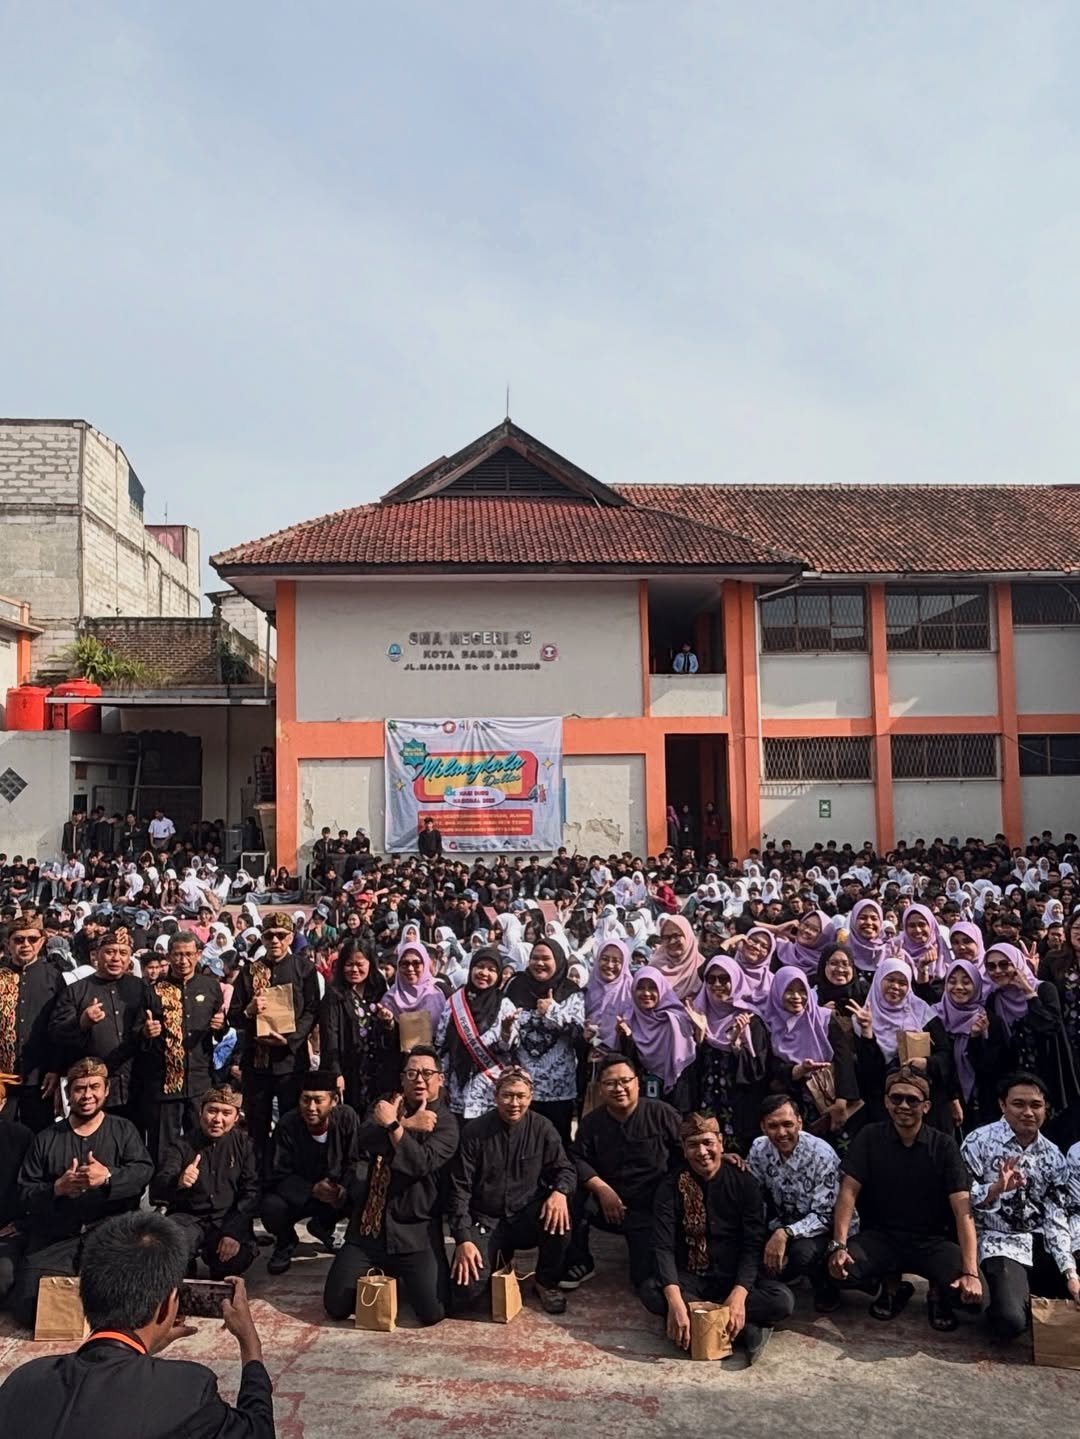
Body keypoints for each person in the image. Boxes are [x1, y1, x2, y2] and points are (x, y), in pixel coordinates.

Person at [0, 1212, 274, 1439]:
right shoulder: (187, 1392)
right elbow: (258, 1431)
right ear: (168, 1304)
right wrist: (251, 1346)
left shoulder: (22, 1382)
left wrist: (144, 1348)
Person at [828, 1067, 984, 1331]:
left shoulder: (944, 1146)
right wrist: (838, 1246)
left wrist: (970, 1271)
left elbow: (962, 1210)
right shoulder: (869, 1137)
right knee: (837, 1272)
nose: (903, 1105)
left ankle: (937, 1293)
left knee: (974, 1299)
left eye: (912, 1100)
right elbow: (848, 1191)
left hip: (932, 1242)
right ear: (886, 1102)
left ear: (926, 1106)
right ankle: (893, 1286)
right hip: (882, 1238)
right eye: (896, 1098)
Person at [11, 1057, 154, 1331]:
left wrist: (108, 1177)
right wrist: (56, 1189)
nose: (87, 1095)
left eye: (94, 1087)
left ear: (106, 1089)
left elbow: (143, 1172)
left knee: (130, 1309)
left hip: (110, 1234)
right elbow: (25, 1191)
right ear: (68, 1092)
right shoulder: (46, 1138)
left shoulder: (123, 1130)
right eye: (79, 1088)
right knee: (31, 1310)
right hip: (57, 1236)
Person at [641, 1112, 795, 1362]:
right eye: (693, 1145)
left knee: (782, 1301)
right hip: (692, 1277)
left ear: (721, 1143)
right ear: (683, 1149)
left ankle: (704, 1324)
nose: (702, 1152)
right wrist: (676, 1301)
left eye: (708, 1143)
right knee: (651, 1291)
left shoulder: (744, 1183)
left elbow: (752, 1243)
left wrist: (740, 1294)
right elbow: (663, 1246)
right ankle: (743, 1330)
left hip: (733, 1278)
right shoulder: (670, 1186)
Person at [323, 1045, 460, 1325]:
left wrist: (395, 1127)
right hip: (369, 1229)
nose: (419, 1080)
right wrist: (405, 1123)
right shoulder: (387, 1105)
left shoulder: (446, 1123)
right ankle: (382, 1269)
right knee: (336, 1305)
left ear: (440, 1079)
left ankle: (404, 1276)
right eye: (412, 1073)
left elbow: (420, 1164)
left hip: (414, 1231)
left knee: (432, 1312)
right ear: (402, 1078)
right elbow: (362, 1140)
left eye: (427, 1073)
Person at [448, 1065, 576, 1315]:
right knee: (465, 1293)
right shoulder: (474, 1132)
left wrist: (560, 1192)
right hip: (487, 1219)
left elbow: (566, 1169)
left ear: (531, 1097)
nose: (513, 1103)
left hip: (526, 1217)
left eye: (520, 1096)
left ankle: (545, 1281)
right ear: (495, 1096)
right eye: (507, 1095)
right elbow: (459, 1189)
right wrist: (463, 1238)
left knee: (562, 1216)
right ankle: (498, 1259)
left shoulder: (543, 1128)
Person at [961, 1072, 1079, 1341]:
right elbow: (961, 1201)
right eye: (1019, 1104)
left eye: (1036, 1105)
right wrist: (995, 1190)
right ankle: (1007, 1299)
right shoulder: (978, 1142)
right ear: (1003, 1105)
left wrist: (1069, 1272)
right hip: (1000, 1241)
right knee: (1010, 1323)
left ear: (1045, 1109)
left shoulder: (1053, 1155)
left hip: (1040, 1242)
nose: (1028, 1112)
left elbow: (1056, 1216)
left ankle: (1030, 1293)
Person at [564, 1054, 682, 1290]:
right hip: (608, 1205)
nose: (619, 1088)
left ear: (638, 1083)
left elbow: (687, 1151)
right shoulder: (591, 1123)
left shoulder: (663, 1114)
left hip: (652, 1206)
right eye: (610, 1083)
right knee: (567, 1193)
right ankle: (579, 1261)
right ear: (600, 1089)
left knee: (643, 1279)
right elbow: (576, 1158)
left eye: (625, 1081)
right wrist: (602, 1189)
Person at [228, 912, 320, 1169]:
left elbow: (313, 1011)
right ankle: (257, 1177)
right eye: (270, 936)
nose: (276, 941)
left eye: (281, 935)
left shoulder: (304, 969)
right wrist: (249, 1010)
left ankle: (289, 1173)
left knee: (292, 1120)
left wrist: (291, 1040)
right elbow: (233, 1015)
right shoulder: (249, 971)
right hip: (256, 1062)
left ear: (290, 937)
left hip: (291, 1060)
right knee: (257, 1124)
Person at [747, 1095, 848, 1311]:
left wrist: (784, 1234)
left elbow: (826, 1215)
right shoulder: (759, 1148)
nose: (781, 1133)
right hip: (783, 1218)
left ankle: (825, 1286)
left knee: (803, 1254)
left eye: (787, 1124)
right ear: (763, 1127)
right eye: (773, 1126)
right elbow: (753, 1194)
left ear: (799, 1123)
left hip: (822, 1227)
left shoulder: (821, 1154)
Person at [150, 1086, 260, 1281]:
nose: (218, 1119)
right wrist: (179, 1181)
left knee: (234, 1259)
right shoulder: (181, 1145)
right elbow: (159, 1186)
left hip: (226, 1218)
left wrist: (233, 1232)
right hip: (189, 1218)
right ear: (201, 1112)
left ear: (236, 1118)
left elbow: (251, 1192)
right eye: (212, 1111)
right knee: (169, 1249)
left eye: (226, 1113)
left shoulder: (244, 1146)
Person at [260, 1071, 361, 1274]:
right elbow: (277, 1173)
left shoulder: (347, 1117)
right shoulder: (288, 1124)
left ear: (334, 1101)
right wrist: (312, 1189)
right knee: (270, 1205)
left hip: (336, 1193)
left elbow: (357, 1160)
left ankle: (328, 1230)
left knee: (362, 1188)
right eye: (305, 1100)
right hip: (301, 1194)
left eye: (318, 1100)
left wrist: (342, 1188)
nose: (311, 1108)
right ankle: (285, 1242)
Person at [142, 930, 226, 1165]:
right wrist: (146, 1032)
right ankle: (163, 1197)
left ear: (198, 955)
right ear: (168, 957)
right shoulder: (154, 990)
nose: (183, 960)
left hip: (200, 1079)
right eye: (178, 955)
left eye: (189, 954)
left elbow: (220, 1028)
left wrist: (220, 1026)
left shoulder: (210, 987)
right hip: (166, 1081)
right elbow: (138, 1032)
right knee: (163, 1144)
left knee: (201, 1139)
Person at [49, 930, 152, 1119]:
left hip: (136, 1084)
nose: (116, 958)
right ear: (95, 955)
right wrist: (82, 1022)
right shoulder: (77, 991)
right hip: (92, 1089)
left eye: (123, 953)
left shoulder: (141, 988)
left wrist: (148, 1031)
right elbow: (56, 1033)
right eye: (110, 952)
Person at [505, 939, 584, 1144]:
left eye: (546, 958)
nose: (539, 963)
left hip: (558, 1090)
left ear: (557, 961)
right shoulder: (515, 988)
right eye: (535, 958)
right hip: (521, 1087)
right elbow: (505, 1031)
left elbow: (580, 1033)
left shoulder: (571, 991)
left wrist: (552, 1011)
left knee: (556, 1144)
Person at [436, 947, 519, 1118]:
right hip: (456, 1089)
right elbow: (441, 1045)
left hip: (489, 1091)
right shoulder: (454, 1002)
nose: (484, 973)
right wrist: (440, 1084)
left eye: (491, 969)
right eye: (480, 966)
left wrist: (505, 1030)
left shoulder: (505, 1005)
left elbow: (508, 1047)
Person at [0, 912, 64, 1130]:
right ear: (8, 943)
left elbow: (60, 1028)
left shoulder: (54, 977)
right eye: (18, 940)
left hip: (40, 1077)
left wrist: (56, 1069)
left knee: (36, 1139)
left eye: (32, 939)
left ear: (42, 941)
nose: (25, 945)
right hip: (2, 1078)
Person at [318, 938, 397, 1113]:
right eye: (349, 964)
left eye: (360, 964)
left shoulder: (378, 991)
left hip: (375, 1070)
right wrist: (336, 1073)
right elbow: (330, 1036)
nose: (354, 969)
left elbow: (388, 1034)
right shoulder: (334, 994)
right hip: (348, 1069)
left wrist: (388, 1023)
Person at [616, 965, 697, 1111]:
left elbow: (687, 1061)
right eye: (641, 988)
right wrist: (627, 1038)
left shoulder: (677, 1020)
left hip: (675, 1097)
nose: (646, 993)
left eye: (652, 988)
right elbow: (628, 1065)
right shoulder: (628, 1019)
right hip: (640, 1101)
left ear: (662, 989)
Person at [0, 1076, 34, 1309]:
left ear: (2, 1104)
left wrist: (23, 1222)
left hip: (6, 1231)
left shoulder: (20, 1137)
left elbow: (32, 1188)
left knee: (3, 1277)